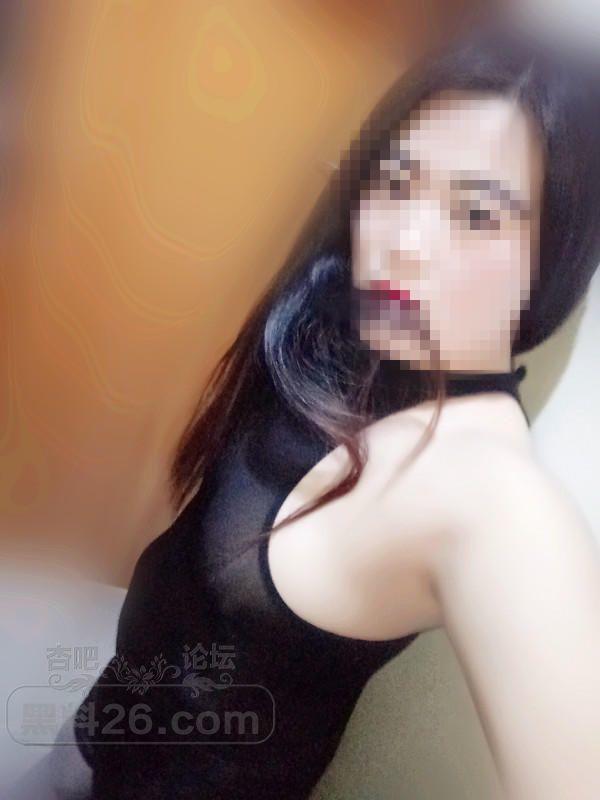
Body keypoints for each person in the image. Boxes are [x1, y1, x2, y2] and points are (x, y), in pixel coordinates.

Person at [9, 17, 600, 800]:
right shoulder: (344, 326)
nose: (402, 241)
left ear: (554, 256)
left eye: (476, 214)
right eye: (395, 183)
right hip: (92, 737)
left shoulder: (489, 493)